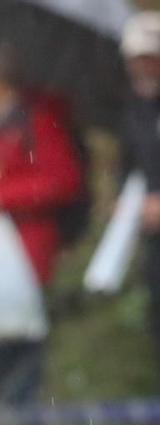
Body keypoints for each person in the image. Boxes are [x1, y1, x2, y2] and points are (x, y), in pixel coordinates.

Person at [0, 44, 86, 408]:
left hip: (21, 264)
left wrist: (4, 197)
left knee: (17, 363)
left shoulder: (35, 125)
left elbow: (63, 180)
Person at [120, 13, 160, 371]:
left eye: (148, 58)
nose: (141, 66)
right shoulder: (136, 109)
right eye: (135, 60)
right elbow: (129, 164)